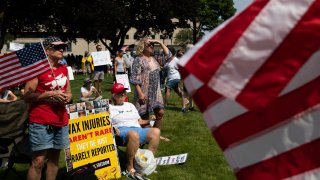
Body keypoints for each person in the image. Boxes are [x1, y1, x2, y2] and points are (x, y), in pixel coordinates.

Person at [24, 36, 72, 180]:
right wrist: (49, 94)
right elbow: (27, 96)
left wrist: (67, 97)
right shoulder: (37, 70)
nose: (61, 49)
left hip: (61, 119)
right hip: (41, 120)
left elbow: (69, 91)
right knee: (38, 161)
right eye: (57, 47)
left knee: (54, 159)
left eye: (62, 46)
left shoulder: (63, 68)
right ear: (47, 50)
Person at [109, 83, 160, 179]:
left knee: (156, 132)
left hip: (137, 128)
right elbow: (106, 123)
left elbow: (139, 121)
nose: (124, 94)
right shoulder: (109, 108)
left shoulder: (130, 105)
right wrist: (112, 128)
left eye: (124, 92)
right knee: (134, 134)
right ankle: (130, 168)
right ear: (114, 95)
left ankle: (145, 163)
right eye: (121, 93)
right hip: (121, 131)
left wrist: (150, 121)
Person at [130, 38, 170, 140]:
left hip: (156, 91)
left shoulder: (155, 58)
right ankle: (147, 137)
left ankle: (157, 134)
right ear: (142, 46)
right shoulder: (138, 59)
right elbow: (134, 77)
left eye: (153, 45)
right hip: (144, 90)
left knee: (160, 112)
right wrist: (140, 93)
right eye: (149, 45)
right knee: (144, 116)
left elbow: (168, 55)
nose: (152, 46)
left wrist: (160, 42)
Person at [163, 47, 187, 112]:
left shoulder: (176, 60)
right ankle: (185, 100)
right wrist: (165, 61)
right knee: (177, 90)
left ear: (172, 53)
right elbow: (165, 67)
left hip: (175, 77)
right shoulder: (168, 60)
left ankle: (164, 106)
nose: (166, 53)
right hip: (170, 78)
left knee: (167, 89)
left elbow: (180, 68)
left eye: (168, 52)